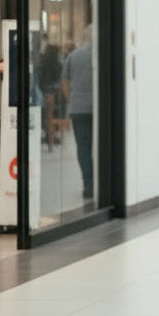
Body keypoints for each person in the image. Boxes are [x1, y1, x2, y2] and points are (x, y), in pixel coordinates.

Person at [61, 25, 95, 199]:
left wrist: (71, 98)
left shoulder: (74, 56)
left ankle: (88, 184)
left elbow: (64, 80)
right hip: (97, 109)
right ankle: (101, 182)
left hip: (78, 108)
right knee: (99, 146)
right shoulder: (101, 55)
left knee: (83, 147)